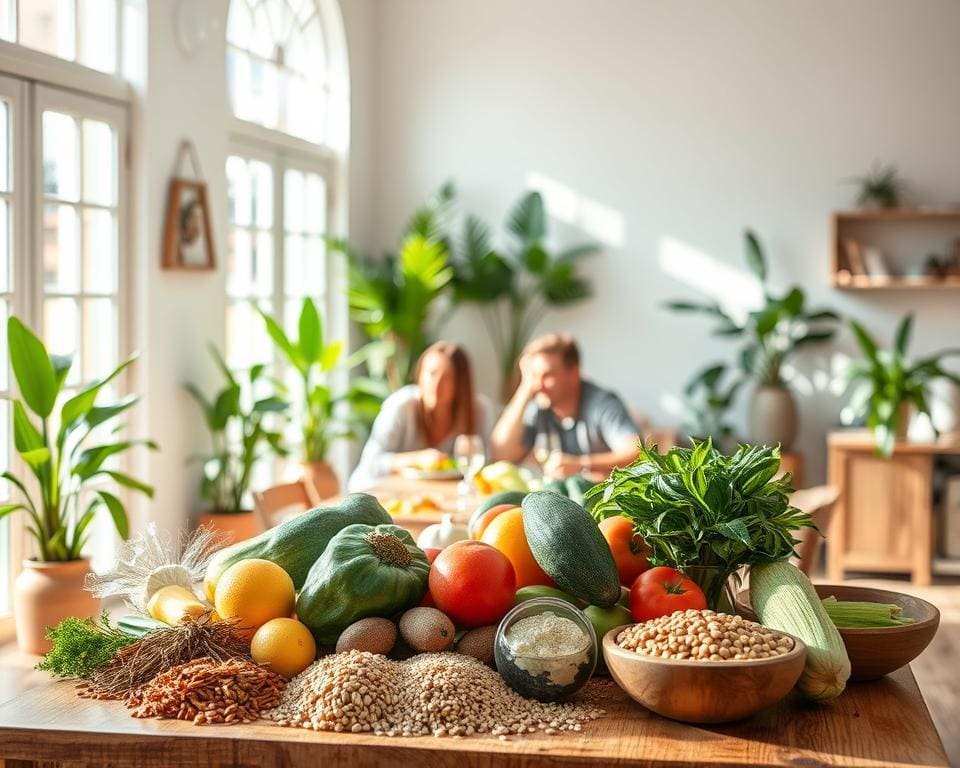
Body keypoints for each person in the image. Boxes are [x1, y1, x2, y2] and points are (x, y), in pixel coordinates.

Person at [347, 341, 493, 491]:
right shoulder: (401, 405)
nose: (436, 385)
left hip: (435, 496)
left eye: (447, 377)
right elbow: (370, 463)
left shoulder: (479, 410)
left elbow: (486, 463)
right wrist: (416, 459)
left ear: (461, 384)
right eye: (431, 374)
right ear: (419, 375)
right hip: (375, 494)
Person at [491, 333, 640, 478]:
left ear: (574, 373)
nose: (538, 385)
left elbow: (636, 453)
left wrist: (582, 464)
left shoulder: (602, 404)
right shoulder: (540, 406)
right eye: (534, 376)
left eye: (547, 375)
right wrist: (525, 388)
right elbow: (501, 453)